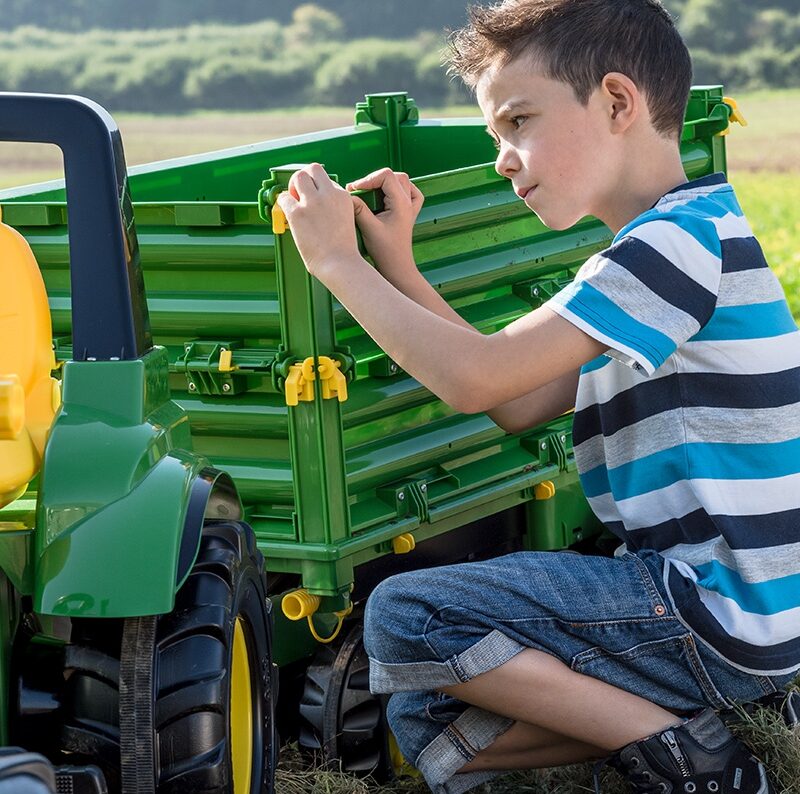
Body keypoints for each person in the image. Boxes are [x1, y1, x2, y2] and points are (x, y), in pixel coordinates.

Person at [275, 0, 800, 791]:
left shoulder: (670, 247)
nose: (503, 159)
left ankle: (698, 764)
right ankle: (719, 720)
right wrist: (401, 269)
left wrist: (337, 264)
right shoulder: (688, 235)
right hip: (749, 622)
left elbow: (474, 378)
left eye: (518, 122)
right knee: (428, 722)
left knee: (405, 616)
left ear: (617, 102)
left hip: (714, 608)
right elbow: (517, 398)